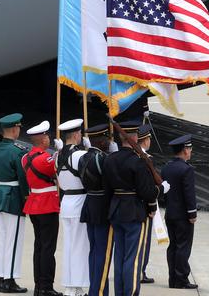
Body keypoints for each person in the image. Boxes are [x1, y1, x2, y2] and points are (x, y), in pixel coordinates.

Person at [103, 121, 169, 296]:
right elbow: (146, 192)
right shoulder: (138, 161)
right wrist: (162, 189)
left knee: (120, 257)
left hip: (116, 211)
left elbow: (107, 190)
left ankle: (120, 292)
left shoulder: (110, 159)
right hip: (134, 212)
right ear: (134, 138)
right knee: (132, 259)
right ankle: (130, 292)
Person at [21, 121, 62, 296]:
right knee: (47, 248)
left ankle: (39, 285)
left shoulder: (25, 158)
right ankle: (46, 286)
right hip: (47, 204)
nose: (49, 138)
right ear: (42, 139)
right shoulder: (46, 159)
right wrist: (61, 152)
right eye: (47, 136)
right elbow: (60, 169)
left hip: (34, 203)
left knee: (39, 246)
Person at [78, 124, 115, 296]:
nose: (108, 142)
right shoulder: (103, 159)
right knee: (102, 253)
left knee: (94, 251)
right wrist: (113, 156)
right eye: (106, 139)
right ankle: (99, 292)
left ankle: (95, 289)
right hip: (102, 208)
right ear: (100, 141)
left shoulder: (82, 158)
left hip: (90, 204)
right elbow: (111, 183)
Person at [0, 113, 29, 293]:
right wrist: (26, 198)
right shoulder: (17, 151)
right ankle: (9, 281)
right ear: (15, 129)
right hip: (14, 197)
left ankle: (2, 277)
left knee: (3, 241)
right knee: (14, 241)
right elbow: (23, 179)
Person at [56, 119, 91, 296]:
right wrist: (90, 150)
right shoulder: (80, 155)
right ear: (77, 135)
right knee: (79, 246)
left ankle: (71, 286)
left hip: (66, 202)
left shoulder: (57, 156)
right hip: (79, 201)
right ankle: (76, 287)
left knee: (70, 246)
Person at [162, 134, 198, 289]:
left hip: (170, 213)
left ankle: (173, 278)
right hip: (183, 215)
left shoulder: (166, 167)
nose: (190, 152)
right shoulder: (186, 169)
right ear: (184, 150)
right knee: (183, 247)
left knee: (173, 246)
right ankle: (181, 279)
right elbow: (189, 194)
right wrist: (192, 213)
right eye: (189, 149)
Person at [137, 124, 155, 284]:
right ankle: (140, 271)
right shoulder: (146, 159)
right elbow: (149, 186)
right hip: (143, 207)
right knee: (143, 242)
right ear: (145, 140)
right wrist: (152, 207)